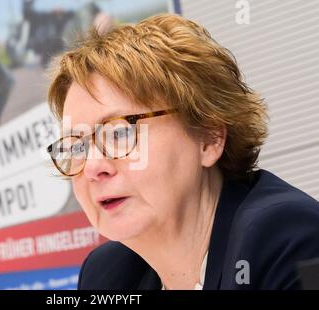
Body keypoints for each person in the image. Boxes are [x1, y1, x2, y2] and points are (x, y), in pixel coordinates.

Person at [45, 13, 319, 289]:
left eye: (118, 133)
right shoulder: (105, 274)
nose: (93, 167)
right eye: (77, 145)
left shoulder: (288, 240)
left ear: (209, 137)